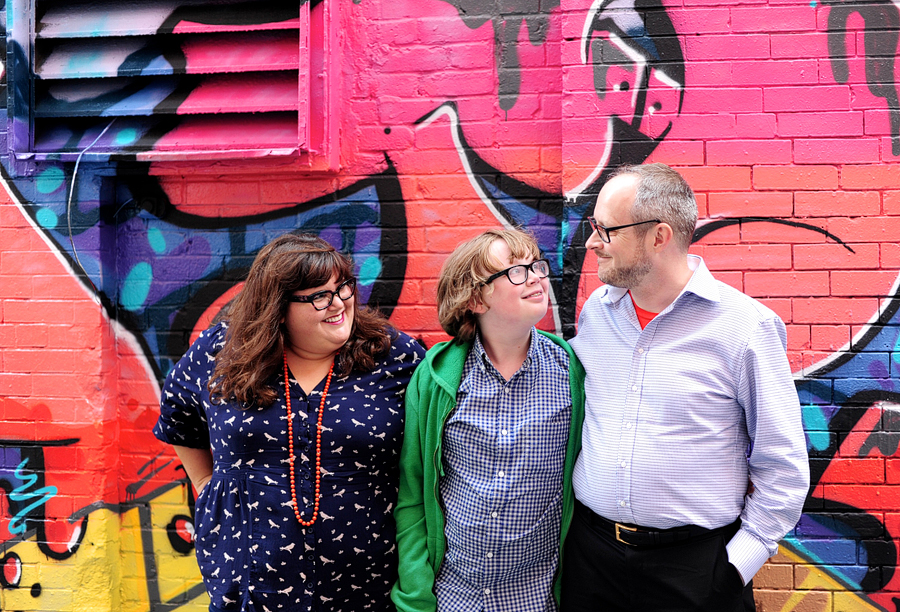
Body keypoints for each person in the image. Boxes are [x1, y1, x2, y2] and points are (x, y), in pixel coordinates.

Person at [562, 163, 810, 611]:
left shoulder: (745, 329)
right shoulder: (597, 312)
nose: (592, 243)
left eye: (606, 230)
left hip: (696, 572)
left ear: (659, 236)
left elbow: (783, 463)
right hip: (591, 560)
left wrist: (737, 565)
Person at [152, 233, 426, 612]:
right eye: (319, 295)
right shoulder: (222, 351)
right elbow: (177, 414)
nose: (339, 303)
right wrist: (205, 482)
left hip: (367, 582)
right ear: (277, 307)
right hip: (249, 578)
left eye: (343, 286)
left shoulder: (392, 355)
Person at [392, 228, 585, 612]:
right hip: (453, 598)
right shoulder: (435, 379)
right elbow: (413, 495)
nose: (535, 278)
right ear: (476, 298)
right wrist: (416, 595)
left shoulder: (572, 372)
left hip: (538, 599)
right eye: (516, 271)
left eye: (536, 266)